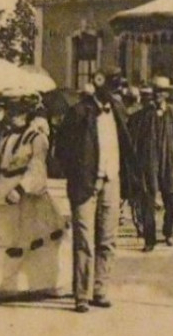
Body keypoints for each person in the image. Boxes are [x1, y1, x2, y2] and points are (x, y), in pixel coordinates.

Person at [0, 96, 65, 303]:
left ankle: (41, 283)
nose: (11, 116)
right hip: (3, 192)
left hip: (27, 197)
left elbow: (37, 169)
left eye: (17, 112)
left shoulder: (37, 138)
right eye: (10, 112)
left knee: (33, 240)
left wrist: (21, 189)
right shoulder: (5, 137)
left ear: (27, 115)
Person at [57, 74, 134, 312]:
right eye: (113, 89)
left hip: (112, 181)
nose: (116, 94)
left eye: (118, 89)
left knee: (108, 239)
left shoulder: (119, 112)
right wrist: (77, 173)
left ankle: (100, 290)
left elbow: (127, 145)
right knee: (84, 239)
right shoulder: (79, 112)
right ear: (101, 89)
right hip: (85, 184)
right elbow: (62, 148)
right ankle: (81, 294)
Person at [132, 76, 173, 249]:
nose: (158, 96)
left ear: (167, 95)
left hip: (169, 162)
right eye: (156, 92)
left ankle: (168, 231)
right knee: (148, 200)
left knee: (172, 200)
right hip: (150, 163)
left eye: (162, 93)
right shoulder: (143, 115)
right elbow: (136, 140)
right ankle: (149, 240)